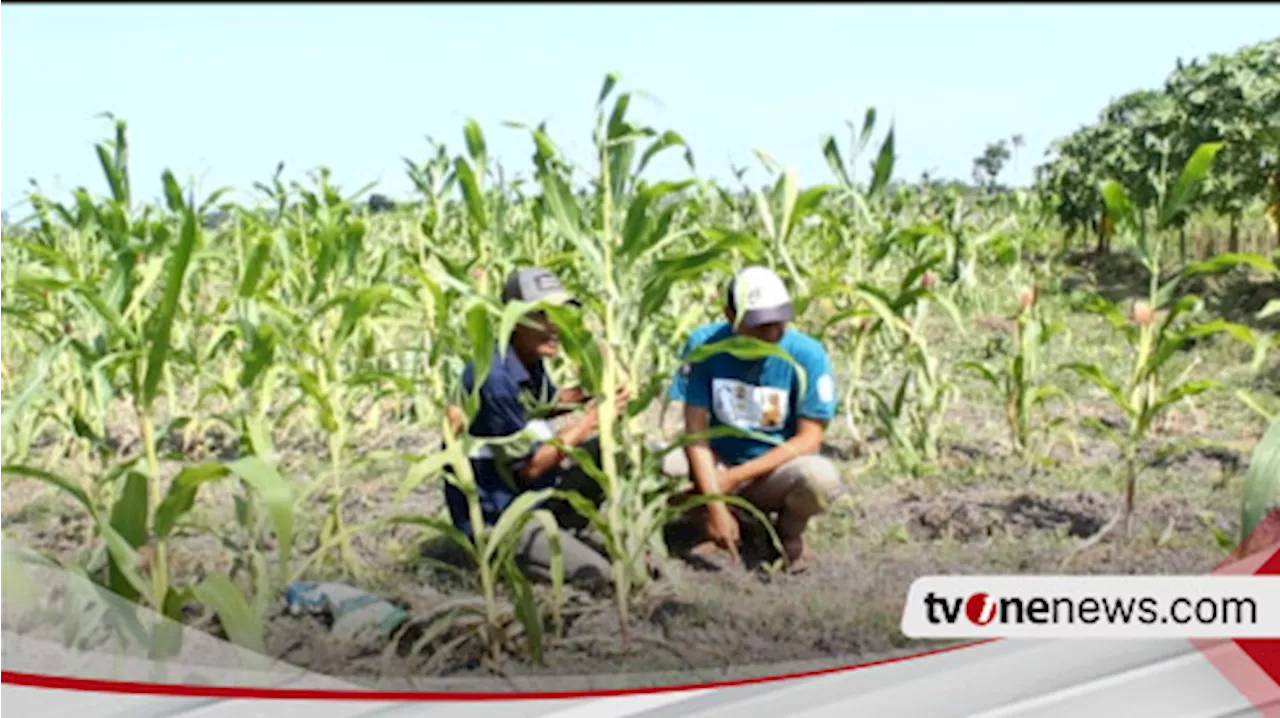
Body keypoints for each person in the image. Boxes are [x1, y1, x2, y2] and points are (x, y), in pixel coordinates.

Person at [442, 267, 629, 594]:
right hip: (502, 517)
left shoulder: (526, 357)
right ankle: (506, 555)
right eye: (541, 315)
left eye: (558, 313)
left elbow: (542, 403)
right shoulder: (495, 379)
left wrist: (588, 391)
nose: (555, 324)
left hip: (533, 496)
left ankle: (559, 533)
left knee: (610, 449)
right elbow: (529, 468)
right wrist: (589, 421)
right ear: (514, 319)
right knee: (602, 577)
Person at [664, 265, 842, 573]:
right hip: (715, 464)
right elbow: (695, 430)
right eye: (760, 326)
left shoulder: (807, 354)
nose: (772, 334)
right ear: (730, 317)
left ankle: (787, 532)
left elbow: (809, 438)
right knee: (662, 465)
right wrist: (715, 503)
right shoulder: (704, 346)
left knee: (820, 479)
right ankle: (718, 520)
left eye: (779, 323)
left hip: (772, 471)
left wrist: (735, 478)